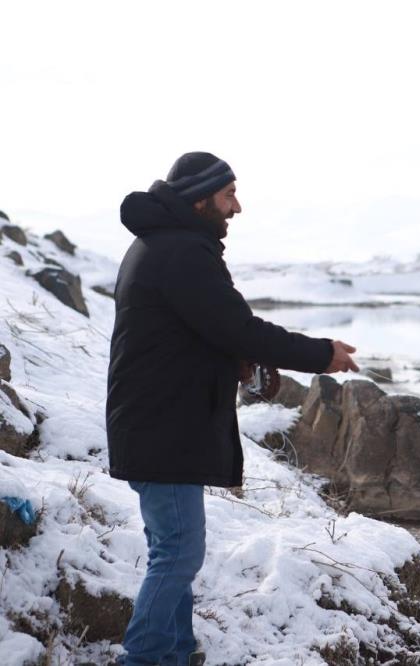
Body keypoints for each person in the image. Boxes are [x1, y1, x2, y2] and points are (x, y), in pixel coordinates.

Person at [106, 152, 359, 666]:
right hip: (163, 426)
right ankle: (144, 658)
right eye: (228, 195)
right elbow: (235, 327)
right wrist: (319, 353)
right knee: (178, 553)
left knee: (173, 551)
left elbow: (203, 329)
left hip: (160, 422)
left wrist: (234, 358)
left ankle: (174, 652)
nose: (237, 206)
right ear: (200, 200)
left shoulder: (166, 246)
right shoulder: (180, 253)